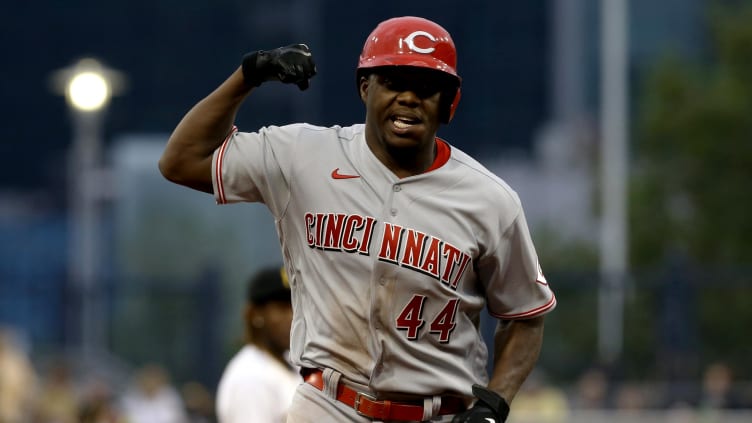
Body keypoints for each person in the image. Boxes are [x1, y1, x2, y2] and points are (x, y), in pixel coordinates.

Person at [159, 16, 556, 423]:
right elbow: (181, 161)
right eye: (392, 81)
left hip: (438, 413)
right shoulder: (303, 155)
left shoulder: (490, 199)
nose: (408, 97)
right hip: (327, 403)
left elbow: (526, 316)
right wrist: (249, 75)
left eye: (425, 87)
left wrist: (495, 403)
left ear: (449, 102)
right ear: (365, 88)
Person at [215, 265, 299, 423]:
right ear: (255, 314)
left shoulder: (290, 362)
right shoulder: (250, 376)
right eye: (282, 308)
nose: (292, 317)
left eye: (295, 307)